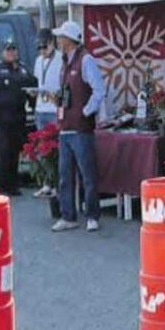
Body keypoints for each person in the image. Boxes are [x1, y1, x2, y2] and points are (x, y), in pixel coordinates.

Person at [50, 20, 106, 233]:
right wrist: (59, 102)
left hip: (81, 129)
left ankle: (92, 215)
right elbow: (67, 93)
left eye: (61, 37)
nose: (58, 40)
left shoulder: (86, 60)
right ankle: (68, 216)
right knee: (65, 176)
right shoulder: (65, 62)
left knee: (87, 175)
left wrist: (85, 112)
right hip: (66, 128)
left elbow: (99, 89)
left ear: (69, 40)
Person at [0, 39, 36, 197]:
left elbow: (32, 89)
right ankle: (0, 187)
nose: (12, 53)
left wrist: (34, 104)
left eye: (13, 50)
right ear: (3, 52)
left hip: (18, 118)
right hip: (1, 118)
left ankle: (12, 185)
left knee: (14, 152)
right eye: (8, 50)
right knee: (3, 153)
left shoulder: (23, 70)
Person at [32, 28, 62, 198]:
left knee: (55, 149)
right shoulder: (38, 61)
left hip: (53, 108)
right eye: (40, 48)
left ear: (52, 43)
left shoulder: (60, 60)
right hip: (40, 107)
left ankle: (56, 182)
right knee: (42, 147)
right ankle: (46, 182)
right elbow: (39, 81)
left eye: (45, 47)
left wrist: (53, 95)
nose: (42, 51)